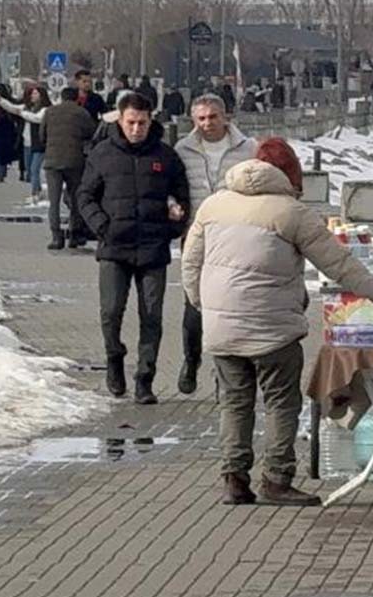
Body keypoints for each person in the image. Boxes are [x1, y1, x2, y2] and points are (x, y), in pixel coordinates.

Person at [181, 138, 373, 506]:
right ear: (290, 175)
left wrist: (204, 306)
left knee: (234, 402)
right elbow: (339, 265)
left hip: (221, 327)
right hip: (271, 329)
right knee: (281, 401)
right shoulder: (291, 212)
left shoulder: (213, 205)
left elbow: (190, 263)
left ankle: (234, 479)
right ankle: (276, 479)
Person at [78, 92, 190, 405]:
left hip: (153, 249)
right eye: (131, 122)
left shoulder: (165, 157)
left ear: (150, 120)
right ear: (120, 119)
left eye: (142, 122)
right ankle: (115, 357)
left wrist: (174, 226)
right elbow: (84, 196)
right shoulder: (102, 154)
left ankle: (145, 378)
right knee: (111, 312)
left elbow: (183, 199)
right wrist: (103, 226)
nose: (137, 128)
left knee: (151, 315)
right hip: (114, 247)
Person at [173, 94, 258, 394]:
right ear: (193, 120)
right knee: (193, 302)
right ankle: (191, 359)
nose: (207, 124)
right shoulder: (183, 149)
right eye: (201, 118)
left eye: (212, 117)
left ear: (225, 117)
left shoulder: (248, 149)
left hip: (234, 236)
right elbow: (173, 186)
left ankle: (225, 374)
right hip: (195, 233)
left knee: (229, 306)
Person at [40, 88, 97, 249]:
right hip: (74, 161)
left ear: (61, 97)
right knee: (75, 198)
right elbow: (91, 133)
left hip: (52, 161)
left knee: (54, 201)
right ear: (76, 98)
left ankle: (56, 237)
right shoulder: (82, 113)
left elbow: (42, 135)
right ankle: (74, 234)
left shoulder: (50, 112)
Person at [0, 85, 51, 203]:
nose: (33, 96)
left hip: (39, 144)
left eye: (36, 93)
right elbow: (13, 108)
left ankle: (35, 193)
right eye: (32, 93)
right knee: (29, 169)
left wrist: (23, 114)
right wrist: (1, 100)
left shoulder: (45, 109)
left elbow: (37, 118)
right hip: (27, 143)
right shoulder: (27, 107)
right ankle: (38, 190)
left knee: (34, 169)